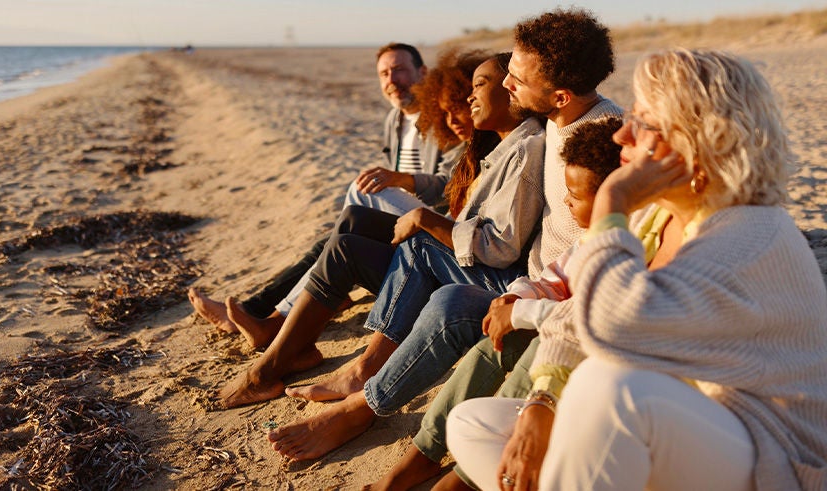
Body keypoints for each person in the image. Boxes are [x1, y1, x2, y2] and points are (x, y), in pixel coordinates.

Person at [448, 48, 827, 491]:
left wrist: (611, 203)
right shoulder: (657, 215)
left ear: (703, 139)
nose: (622, 134)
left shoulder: (752, 232)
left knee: (610, 385)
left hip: (768, 452)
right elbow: (574, 319)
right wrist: (542, 403)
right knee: (475, 423)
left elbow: (611, 330)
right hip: (676, 429)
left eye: (644, 122)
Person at [257, 7, 623, 459]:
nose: (509, 85)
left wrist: (527, 296)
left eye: (517, 81)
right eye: (507, 74)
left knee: (445, 294)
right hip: (531, 281)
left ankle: (363, 406)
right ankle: (348, 360)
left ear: (561, 96)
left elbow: (604, 249)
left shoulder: (598, 150)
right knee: (381, 230)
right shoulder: (554, 119)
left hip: (552, 299)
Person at [216, 49, 541, 409]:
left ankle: (301, 367)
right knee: (351, 225)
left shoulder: (525, 150)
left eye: (479, 86)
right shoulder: (499, 146)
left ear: (513, 89)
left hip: (487, 278)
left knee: (405, 240)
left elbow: (499, 248)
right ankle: (288, 335)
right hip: (465, 261)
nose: (468, 100)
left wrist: (427, 220)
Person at [363, 117, 624, 491]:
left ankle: (463, 478)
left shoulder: (624, 247)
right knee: (495, 342)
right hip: (554, 325)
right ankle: (423, 453)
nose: (566, 202)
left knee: (532, 346)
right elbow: (553, 278)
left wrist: (518, 311)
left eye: (575, 196)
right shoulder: (590, 240)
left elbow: (589, 318)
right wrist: (514, 298)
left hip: (599, 363)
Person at [189, 42, 463, 337]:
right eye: (384, 74)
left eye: (399, 70)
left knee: (361, 196)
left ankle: (278, 314)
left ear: (423, 72)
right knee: (332, 241)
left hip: (436, 225)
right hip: (403, 216)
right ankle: (258, 312)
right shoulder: (394, 120)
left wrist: (402, 180)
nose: (392, 81)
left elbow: (450, 187)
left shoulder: (446, 116)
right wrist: (393, 183)